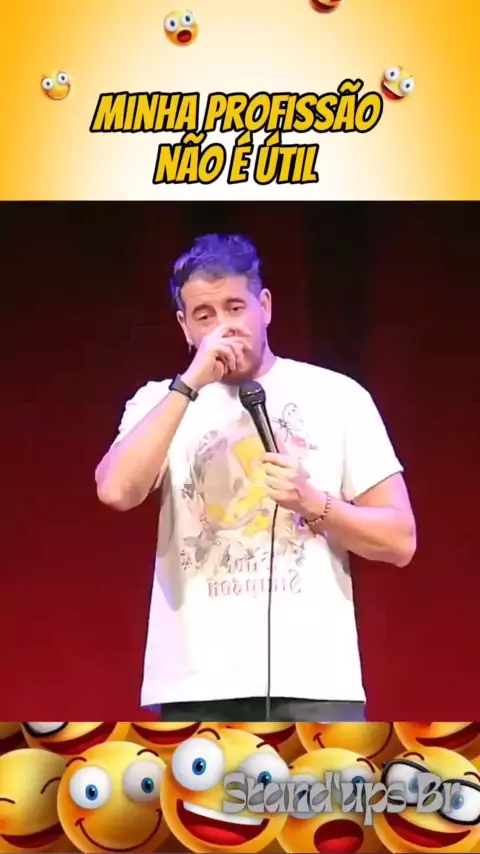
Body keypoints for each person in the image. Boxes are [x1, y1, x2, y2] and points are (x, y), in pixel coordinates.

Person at [95, 233, 416, 723]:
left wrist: (314, 503)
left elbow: (400, 539)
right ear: (184, 326)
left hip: (314, 681)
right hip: (195, 683)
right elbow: (116, 490)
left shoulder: (338, 396)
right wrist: (190, 384)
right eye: (204, 315)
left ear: (264, 306)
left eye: (235, 308)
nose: (223, 328)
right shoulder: (160, 402)